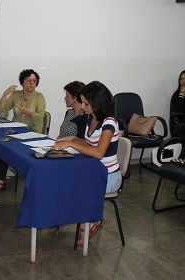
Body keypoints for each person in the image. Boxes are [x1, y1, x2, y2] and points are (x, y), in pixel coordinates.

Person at [51, 81, 121, 245]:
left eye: (85, 103)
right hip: (93, 171)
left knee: (80, 191)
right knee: (66, 182)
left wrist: (72, 143)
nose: (82, 106)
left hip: (109, 176)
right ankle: (93, 218)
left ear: (97, 103)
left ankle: (92, 221)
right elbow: (90, 144)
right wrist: (73, 138)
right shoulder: (91, 117)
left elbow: (99, 152)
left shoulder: (109, 123)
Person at [0, 69, 46, 195]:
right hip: (15, 132)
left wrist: (27, 112)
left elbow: (40, 116)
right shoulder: (16, 95)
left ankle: (1, 181)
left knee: (7, 148)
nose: (32, 83)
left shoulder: (39, 97)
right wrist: (5, 94)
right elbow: (3, 113)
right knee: (0, 146)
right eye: (28, 80)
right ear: (22, 82)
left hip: (32, 133)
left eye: (34, 80)